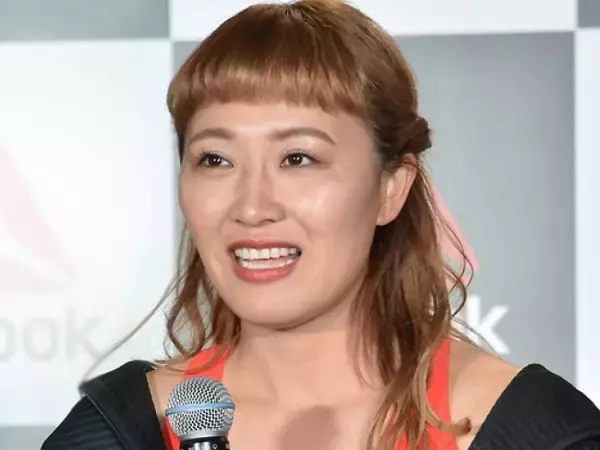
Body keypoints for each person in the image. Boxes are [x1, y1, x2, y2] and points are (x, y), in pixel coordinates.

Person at [42, 1, 600, 449]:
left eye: (298, 158)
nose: (251, 207)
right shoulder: (119, 432)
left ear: (391, 188)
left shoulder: (531, 430)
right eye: (215, 159)